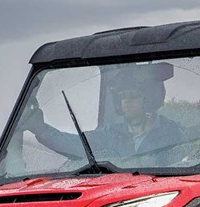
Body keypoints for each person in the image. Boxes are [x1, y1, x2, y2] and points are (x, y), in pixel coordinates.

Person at [25, 66, 185, 161]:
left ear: (149, 100)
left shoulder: (170, 133)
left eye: (133, 96)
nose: (126, 102)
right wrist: (42, 130)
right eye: (122, 97)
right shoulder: (111, 133)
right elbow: (77, 144)